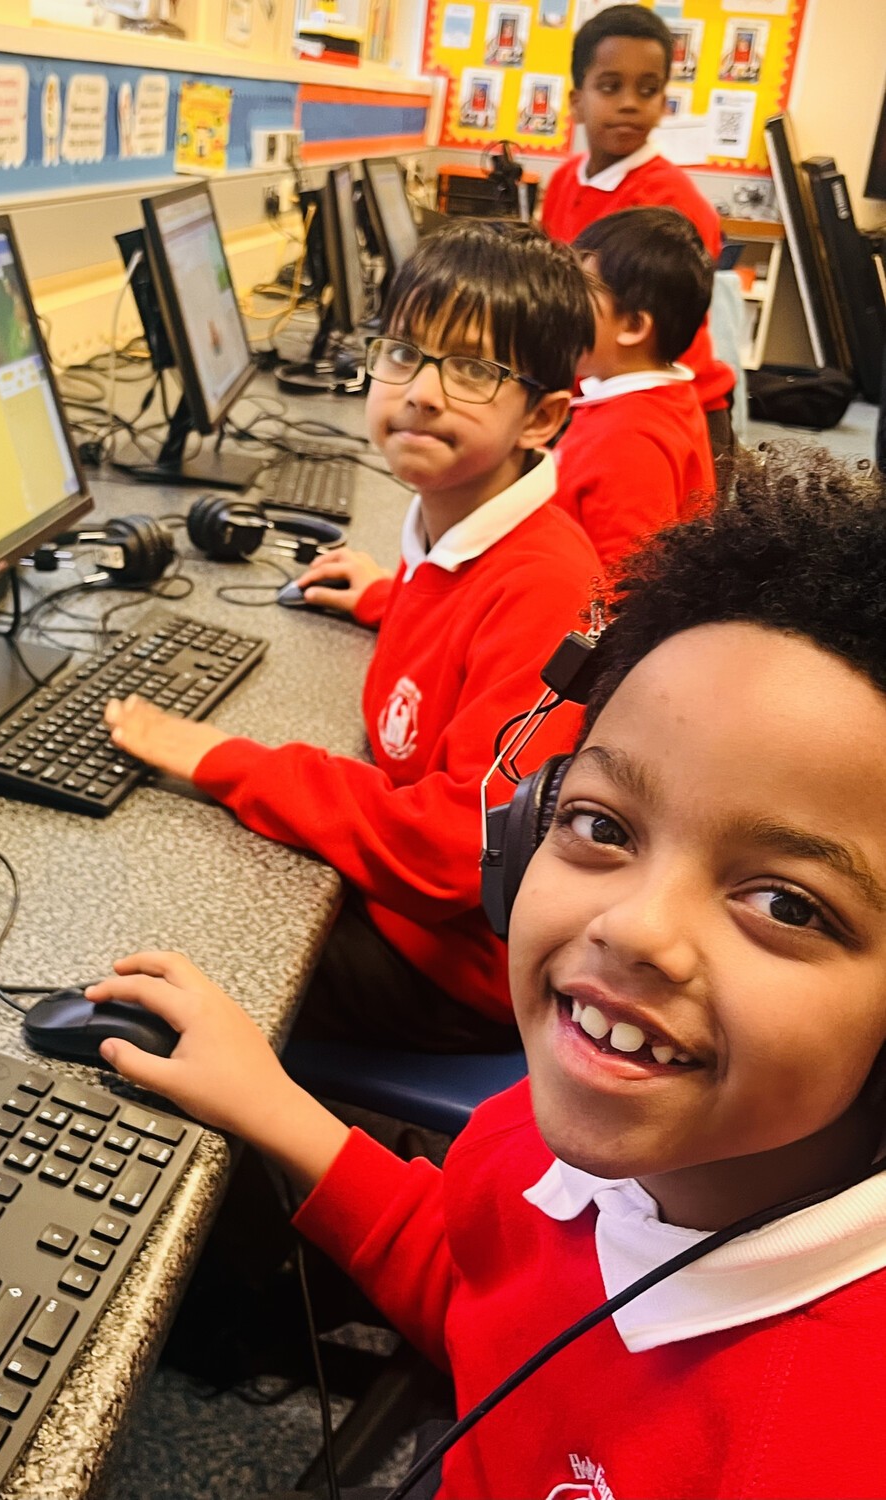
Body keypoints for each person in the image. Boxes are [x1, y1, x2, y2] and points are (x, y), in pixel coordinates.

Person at [90, 447, 886, 1499]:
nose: (635, 930)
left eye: (784, 904)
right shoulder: (549, 1129)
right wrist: (270, 1102)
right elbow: (485, 1299)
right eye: (600, 825)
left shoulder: (821, 1449)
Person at [106, 221, 600, 1051]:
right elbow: (455, 617)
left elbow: (459, 845)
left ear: (543, 418)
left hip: (455, 968)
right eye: (403, 353)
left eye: (473, 371)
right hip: (407, 908)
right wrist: (388, 596)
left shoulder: (545, 586)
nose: (422, 392)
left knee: (160, 952)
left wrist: (231, 762)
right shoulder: (456, 527)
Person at [540, 3, 737, 458]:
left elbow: (654, 341)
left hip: (660, 413)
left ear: (663, 102)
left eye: (647, 89)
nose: (629, 102)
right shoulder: (565, 180)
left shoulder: (672, 202)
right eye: (610, 86)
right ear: (576, 101)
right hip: (592, 397)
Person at [554, 206, 716, 571]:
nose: (559, 305)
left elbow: (627, 582)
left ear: (632, 326)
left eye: (579, 292)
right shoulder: (661, 399)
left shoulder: (628, 439)